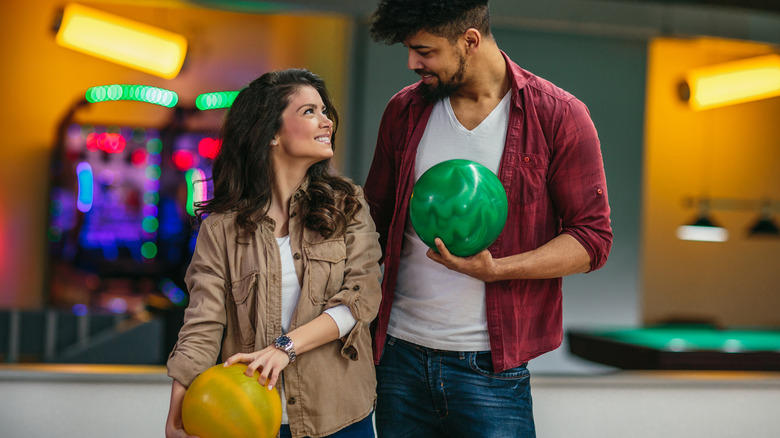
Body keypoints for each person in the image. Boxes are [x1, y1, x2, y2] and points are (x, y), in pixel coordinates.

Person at [364, 1, 613, 437]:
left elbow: (592, 239)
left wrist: (496, 271)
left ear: (470, 41)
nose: (411, 63)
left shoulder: (559, 116)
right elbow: (372, 223)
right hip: (398, 360)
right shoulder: (402, 112)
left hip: (491, 371)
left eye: (424, 51)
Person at [165, 69, 382, 438]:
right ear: (272, 134)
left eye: (325, 110)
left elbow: (362, 299)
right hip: (248, 420)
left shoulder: (348, 203)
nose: (326, 120)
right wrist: (176, 417)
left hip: (339, 416)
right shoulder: (221, 228)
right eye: (309, 111)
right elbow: (202, 326)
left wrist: (285, 348)